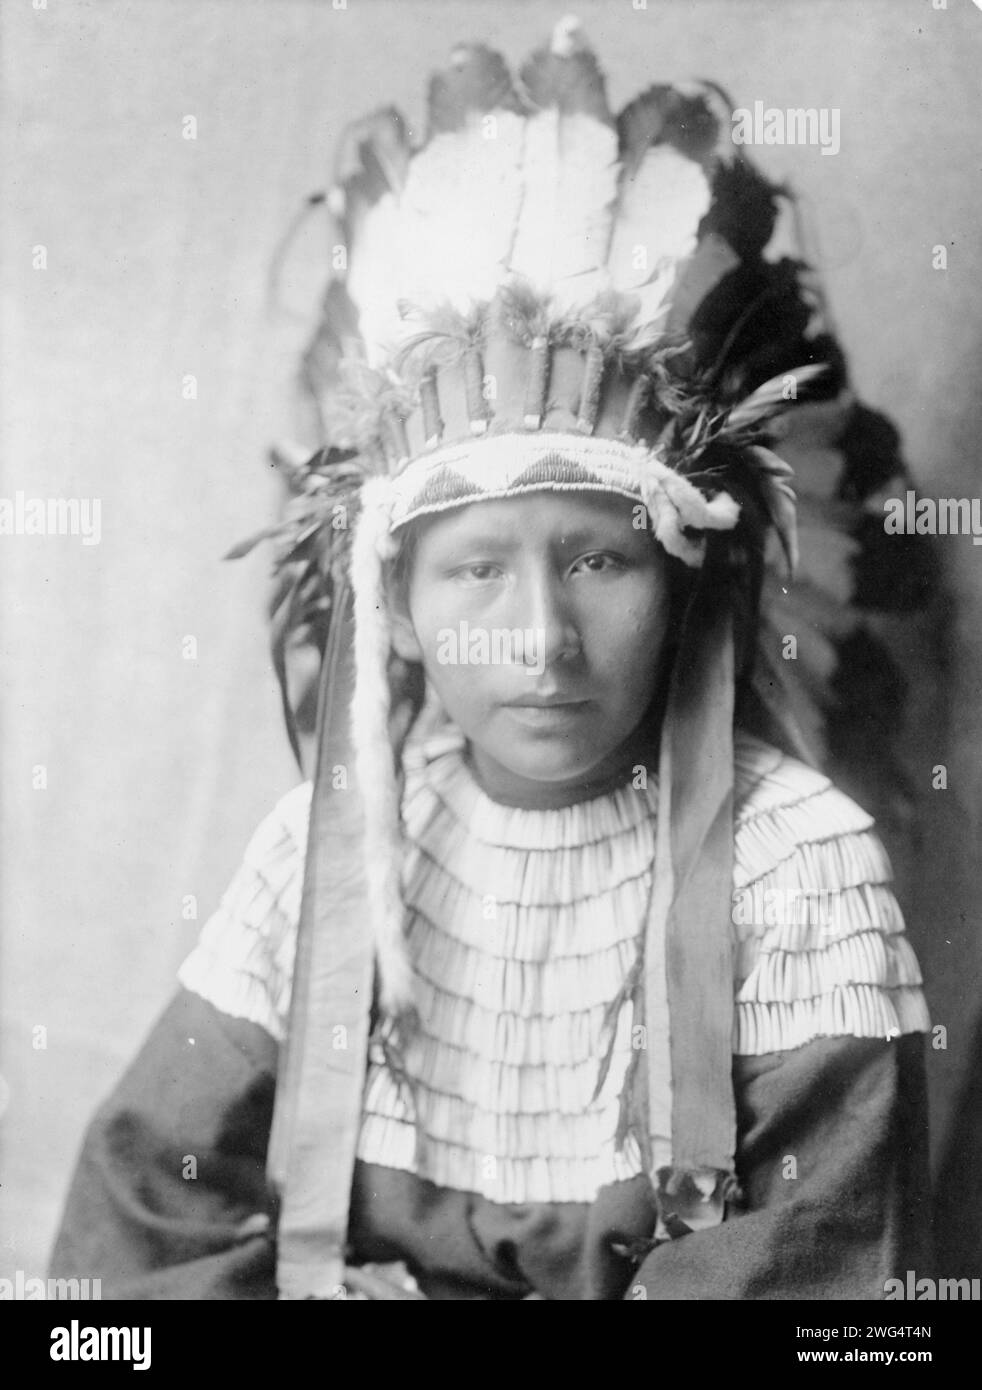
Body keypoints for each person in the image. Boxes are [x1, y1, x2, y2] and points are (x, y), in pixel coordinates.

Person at [52, 19, 932, 1301]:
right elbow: (131, 1242)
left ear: (685, 581)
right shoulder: (322, 858)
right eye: (473, 570)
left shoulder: (799, 868)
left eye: (599, 561)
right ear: (395, 609)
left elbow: (827, 1297)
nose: (540, 638)